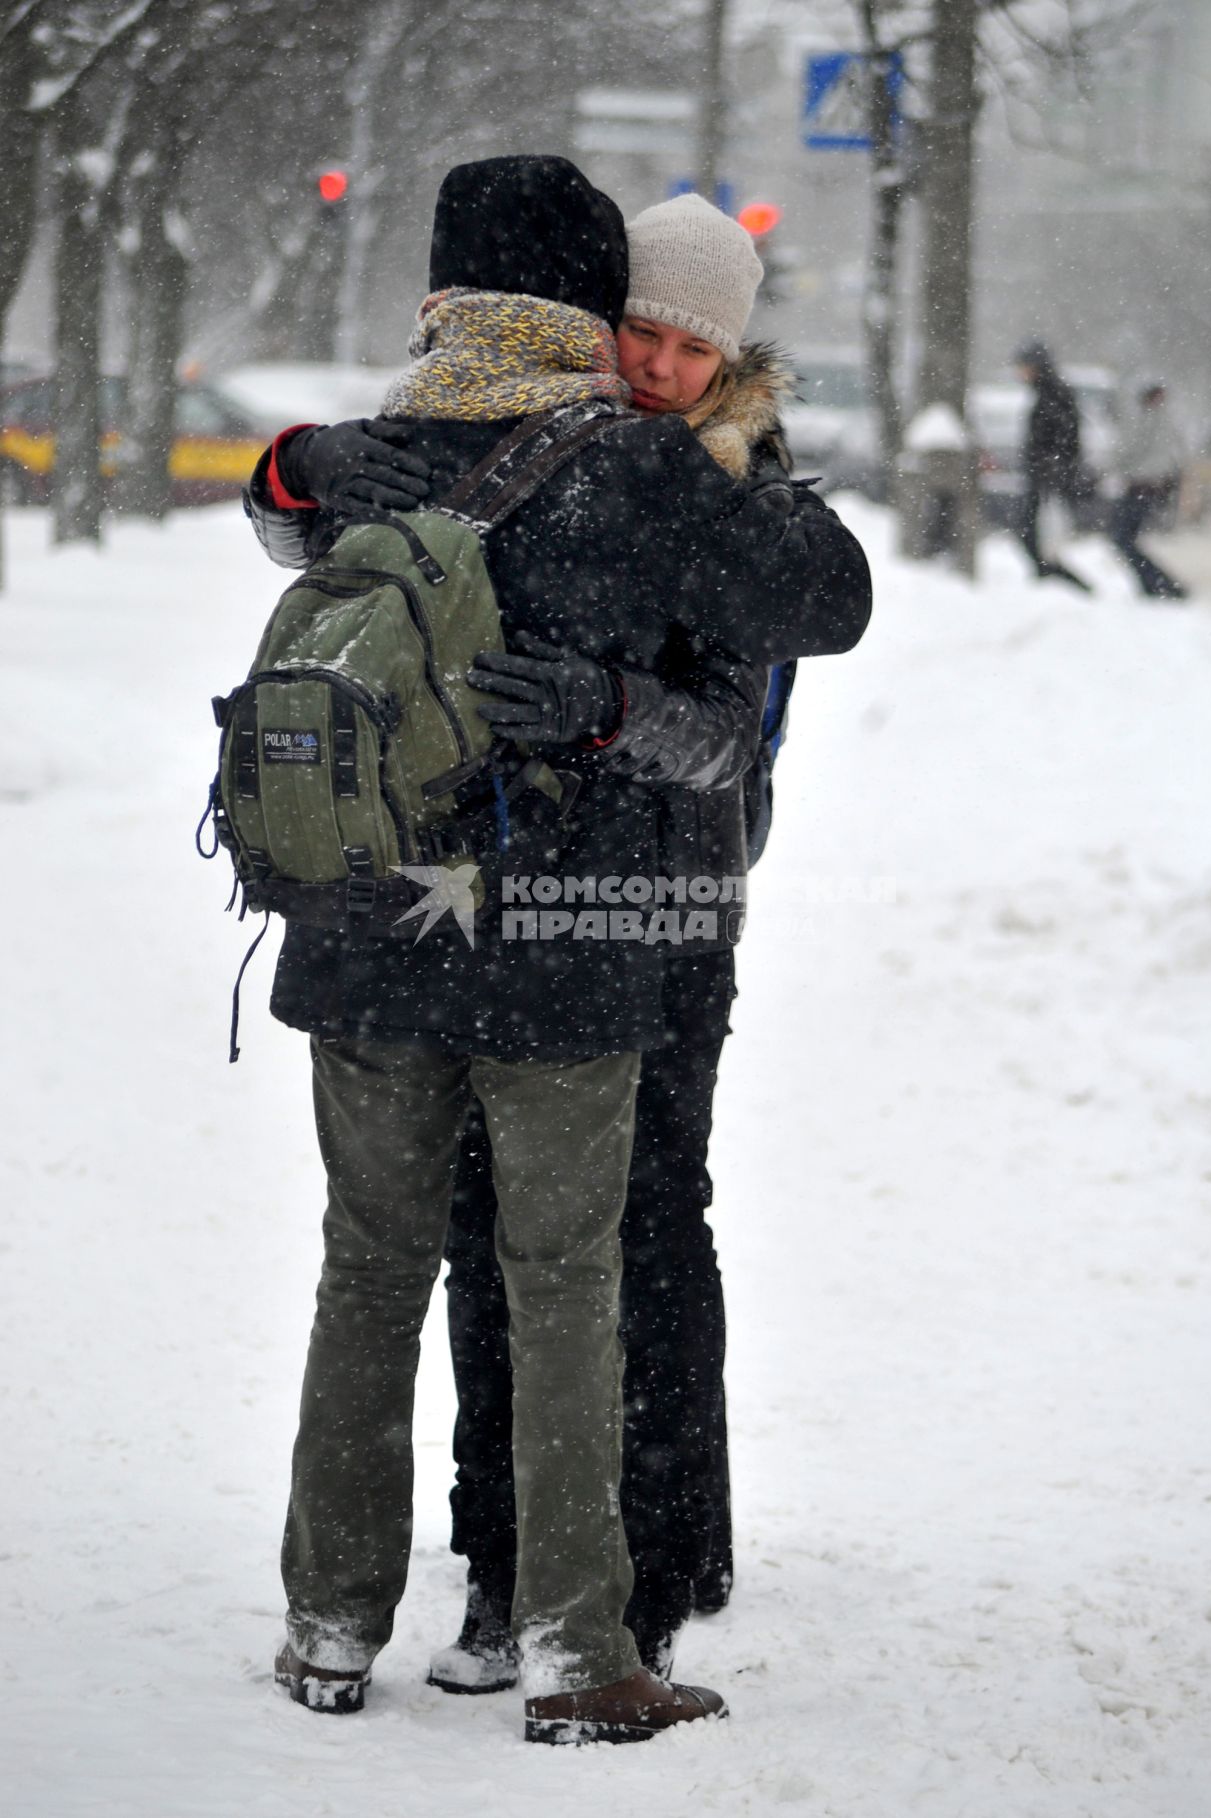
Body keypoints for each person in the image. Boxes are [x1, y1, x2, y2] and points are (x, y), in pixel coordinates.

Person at [241, 156, 873, 1744]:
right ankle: (579, 1653)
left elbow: (274, 513)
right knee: (568, 1279)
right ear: (581, 310)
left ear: (442, 293)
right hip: (560, 954)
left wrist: (294, 464)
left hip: (369, 930)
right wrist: (739, 475)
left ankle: (328, 1625)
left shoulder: (368, 452)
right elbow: (834, 599)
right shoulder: (635, 472)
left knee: (368, 1274)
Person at [425, 193, 801, 1697]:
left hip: (673, 910)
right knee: (494, 1226)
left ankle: (666, 1541)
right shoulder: (551, 462)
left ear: (730, 359)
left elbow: (739, 747)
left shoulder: (734, 492)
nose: (658, 365)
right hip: (516, 910)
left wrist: (609, 712)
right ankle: (501, 1549)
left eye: (690, 346)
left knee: (650, 1219)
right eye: (638, 332)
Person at [1012, 339, 1093, 592]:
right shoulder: (1048, 392)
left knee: (1035, 535)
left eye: (1023, 366)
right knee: (1031, 535)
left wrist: (1053, 468)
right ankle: (1051, 580)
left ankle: (1062, 583)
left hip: (1049, 478)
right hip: (1045, 476)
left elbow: (1065, 439)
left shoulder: (1054, 394)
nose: (1019, 373)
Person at [1107, 378, 1188, 600]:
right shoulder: (1169, 421)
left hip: (1141, 485)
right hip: (1151, 485)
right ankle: (1157, 584)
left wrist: (1109, 467)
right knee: (1126, 539)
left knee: (1122, 538)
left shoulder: (1149, 420)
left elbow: (1129, 449)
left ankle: (1158, 584)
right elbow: (1177, 456)